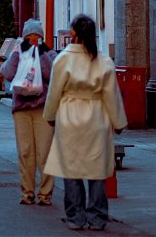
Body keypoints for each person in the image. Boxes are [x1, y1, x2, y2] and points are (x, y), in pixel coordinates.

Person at [44, 15, 128, 231]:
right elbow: (112, 95)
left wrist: (50, 116)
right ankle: (98, 216)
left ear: (74, 34)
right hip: (96, 118)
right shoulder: (103, 61)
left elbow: (54, 92)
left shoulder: (63, 59)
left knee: (71, 169)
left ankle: (76, 215)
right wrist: (118, 122)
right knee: (96, 169)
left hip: (69, 117)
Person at [0, 19, 58, 206]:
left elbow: (53, 73)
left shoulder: (49, 53)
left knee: (45, 152)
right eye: (29, 36)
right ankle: (27, 192)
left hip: (43, 108)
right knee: (25, 151)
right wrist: (18, 53)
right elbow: (6, 73)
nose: (33, 39)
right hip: (22, 109)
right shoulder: (18, 52)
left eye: (36, 36)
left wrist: (40, 53)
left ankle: (45, 193)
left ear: (41, 37)